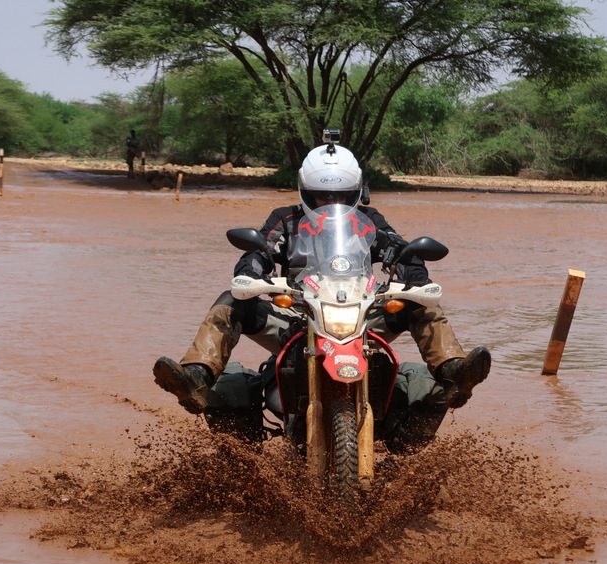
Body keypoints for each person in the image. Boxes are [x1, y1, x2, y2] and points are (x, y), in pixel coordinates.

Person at [153, 141, 491, 417]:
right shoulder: (284, 219)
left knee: (422, 305)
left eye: (342, 196)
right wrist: (250, 274)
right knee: (230, 301)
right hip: (297, 314)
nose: (331, 202)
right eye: (321, 196)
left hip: (361, 310)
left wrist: (413, 277)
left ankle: (454, 373)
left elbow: (399, 249)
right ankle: (196, 376)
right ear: (305, 191)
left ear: (356, 191)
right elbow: (261, 250)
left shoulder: (370, 219)